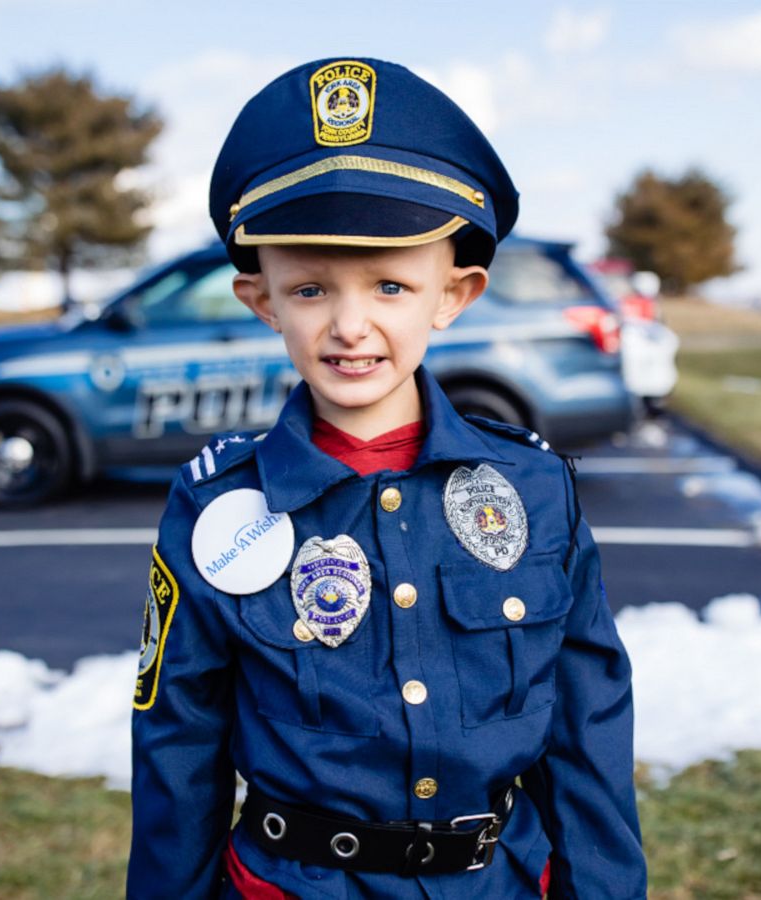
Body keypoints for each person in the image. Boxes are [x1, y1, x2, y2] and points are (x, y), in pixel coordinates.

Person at [127, 56, 646, 899]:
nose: (349, 325)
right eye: (310, 288)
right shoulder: (218, 504)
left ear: (455, 293)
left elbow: (587, 732)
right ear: (262, 301)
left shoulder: (535, 489)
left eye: (392, 285)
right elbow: (176, 746)